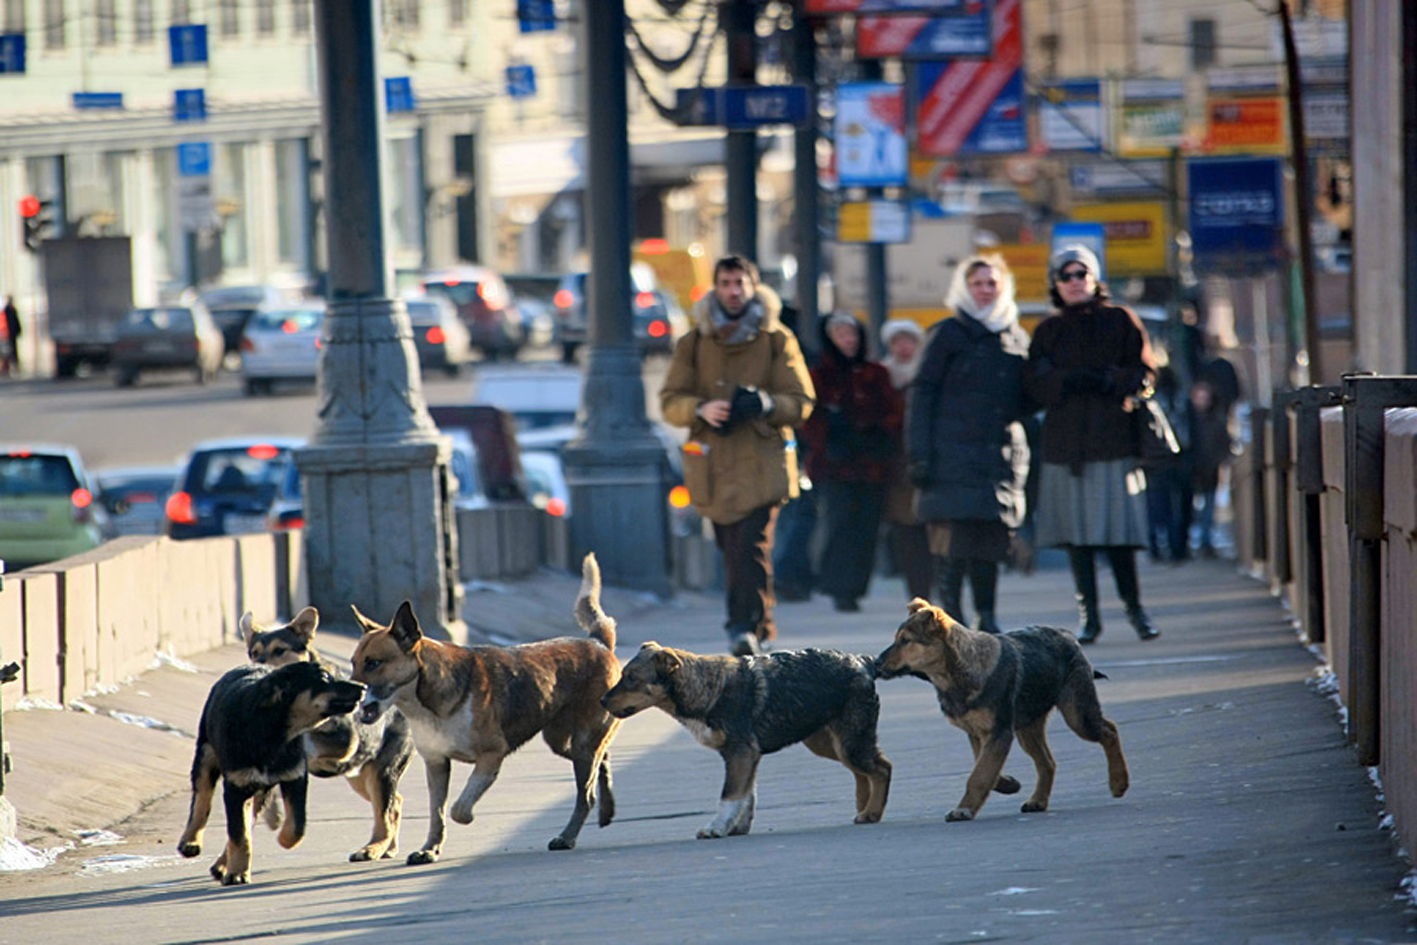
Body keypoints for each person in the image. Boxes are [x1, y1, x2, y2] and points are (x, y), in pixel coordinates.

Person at [661, 254, 815, 656]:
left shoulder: (776, 338)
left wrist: (764, 403)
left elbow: (801, 401)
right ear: (715, 288)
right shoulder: (693, 343)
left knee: (752, 545)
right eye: (725, 283)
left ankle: (742, 627)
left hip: (762, 463)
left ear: (752, 286)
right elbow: (669, 401)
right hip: (711, 465)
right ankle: (760, 626)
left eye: (739, 283)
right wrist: (701, 409)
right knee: (731, 550)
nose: (733, 291)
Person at [1025, 245, 1161, 643]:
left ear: (1094, 278)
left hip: (1113, 441)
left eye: (1080, 274)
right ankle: (1090, 618)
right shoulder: (1048, 330)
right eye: (1065, 276)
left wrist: (1107, 379)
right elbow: (1033, 384)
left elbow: (1145, 373)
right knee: (1078, 538)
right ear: (1055, 283)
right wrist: (1064, 380)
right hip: (1066, 447)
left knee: (1118, 536)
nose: (1073, 282)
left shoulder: (1121, 320)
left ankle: (1136, 611)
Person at [907, 254, 1031, 634]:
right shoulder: (947, 334)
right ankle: (952, 620)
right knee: (953, 547)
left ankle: (987, 617)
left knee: (990, 545)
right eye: (977, 283)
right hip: (950, 456)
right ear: (964, 287)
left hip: (998, 456)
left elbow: (1028, 400)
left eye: (991, 283)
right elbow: (921, 396)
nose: (984, 290)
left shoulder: (1015, 336)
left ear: (1003, 286)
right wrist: (919, 456)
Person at [799, 312, 902, 613]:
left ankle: (857, 585)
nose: (849, 340)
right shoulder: (819, 375)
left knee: (867, 526)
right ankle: (838, 586)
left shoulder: (875, 373)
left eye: (853, 334)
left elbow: (892, 412)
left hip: (872, 465)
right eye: (841, 334)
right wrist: (829, 440)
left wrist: (880, 435)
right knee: (840, 523)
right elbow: (809, 417)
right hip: (834, 466)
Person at [878, 318, 932, 600]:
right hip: (897, 465)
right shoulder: (881, 376)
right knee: (906, 531)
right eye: (897, 341)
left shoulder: (929, 373)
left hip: (928, 460)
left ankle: (934, 587)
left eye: (908, 340)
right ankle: (918, 591)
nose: (903, 347)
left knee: (932, 530)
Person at [1189, 379, 1233, 557]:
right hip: (1193, 469)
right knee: (1193, 508)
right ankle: (1195, 540)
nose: (1202, 402)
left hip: (1210, 470)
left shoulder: (1216, 420)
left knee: (1208, 507)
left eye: (1205, 398)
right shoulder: (1189, 421)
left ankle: (1205, 542)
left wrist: (1219, 461)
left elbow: (1224, 445)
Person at [2, 296, 20, 376]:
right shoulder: (6, 311)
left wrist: (18, 330)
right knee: (7, 351)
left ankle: (14, 365)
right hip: (6, 334)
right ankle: (7, 367)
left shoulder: (13, 310)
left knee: (12, 350)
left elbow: (16, 321)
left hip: (12, 334)